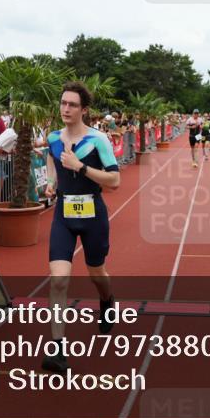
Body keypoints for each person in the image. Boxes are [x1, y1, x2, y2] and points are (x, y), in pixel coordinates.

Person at [41, 81, 121, 374]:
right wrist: (51, 182)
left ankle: (107, 300)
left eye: (72, 105)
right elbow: (52, 159)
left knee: (96, 273)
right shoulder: (53, 138)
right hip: (63, 215)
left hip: (92, 216)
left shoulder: (98, 140)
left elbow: (115, 181)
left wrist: (81, 167)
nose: (66, 109)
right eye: (63, 103)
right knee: (58, 280)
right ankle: (58, 349)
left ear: (84, 110)